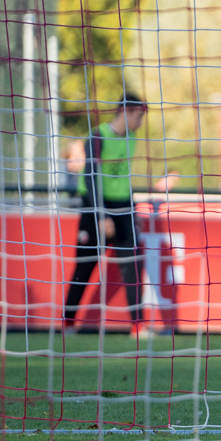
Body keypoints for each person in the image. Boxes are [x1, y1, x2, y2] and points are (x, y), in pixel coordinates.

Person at [63, 93, 148, 337]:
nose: (141, 121)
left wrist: (133, 207)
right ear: (126, 112)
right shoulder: (98, 135)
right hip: (95, 206)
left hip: (122, 208)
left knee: (133, 264)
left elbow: (125, 176)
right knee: (85, 265)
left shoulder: (133, 137)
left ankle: (138, 326)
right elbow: (91, 176)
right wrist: (101, 214)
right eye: (139, 115)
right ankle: (68, 322)